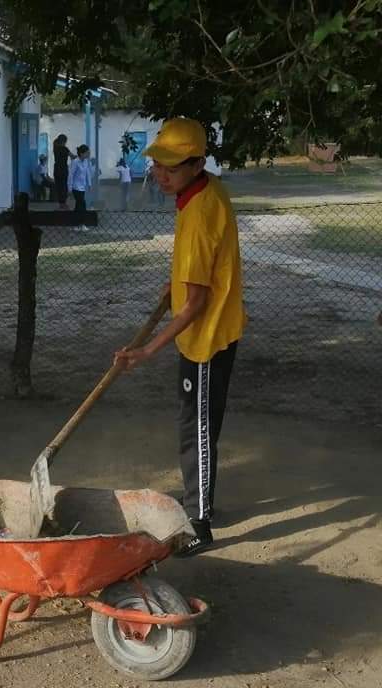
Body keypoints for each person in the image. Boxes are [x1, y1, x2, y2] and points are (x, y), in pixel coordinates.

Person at [113, 118, 246, 557]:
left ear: (197, 164)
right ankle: (198, 498)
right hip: (212, 328)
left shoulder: (201, 212)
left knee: (197, 429)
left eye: (171, 167)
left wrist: (146, 350)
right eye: (157, 164)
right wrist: (176, 284)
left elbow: (195, 304)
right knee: (195, 424)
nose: (160, 173)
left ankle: (200, 522)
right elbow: (206, 267)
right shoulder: (204, 192)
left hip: (206, 337)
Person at [68, 144, 93, 230]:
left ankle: (76, 224)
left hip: (82, 187)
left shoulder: (86, 162)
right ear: (82, 153)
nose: (88, 154)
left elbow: (87, 173)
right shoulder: (75, 162)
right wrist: (69, 188)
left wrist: (89, 184)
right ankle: (82, 223)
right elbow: (71, 175)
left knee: (78, 206)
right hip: (76, 187)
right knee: (82, 204)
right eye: (87, 153)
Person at [53, 134, 73, 208]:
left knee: (59, 186)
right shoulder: (65, 149)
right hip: (63, 169)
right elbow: (72, 156)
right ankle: (64, 203)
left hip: (56, 169)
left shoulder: (55, 148)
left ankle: (61, 203)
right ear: (64, 141)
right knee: (64, 186)